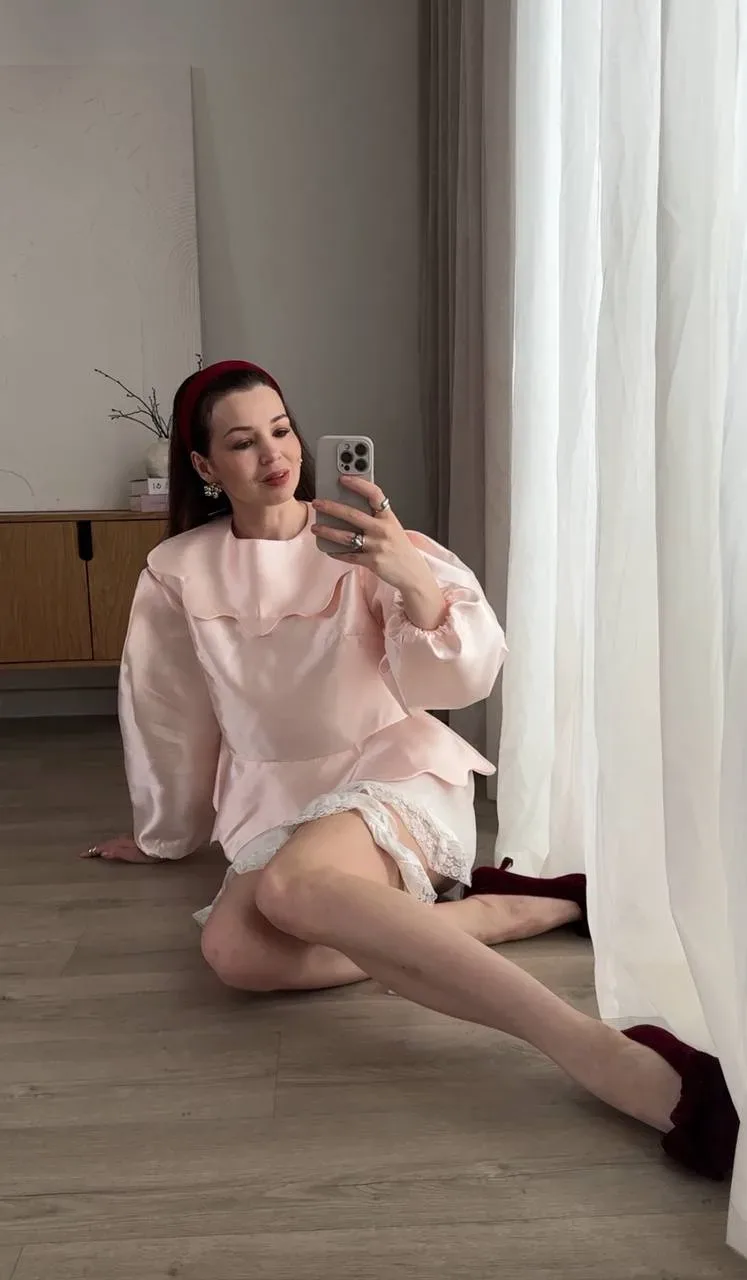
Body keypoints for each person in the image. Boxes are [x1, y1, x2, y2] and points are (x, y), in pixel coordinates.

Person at [84, 359, 737, 1182]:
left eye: (281, 430)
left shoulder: (366, 538)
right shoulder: (177, 570)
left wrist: (408, 576)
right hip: (273, 798)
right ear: (204, 466)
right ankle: (491, 914)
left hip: (391, 769)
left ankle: (603, 1053)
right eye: (242, 443)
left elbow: (458, 680)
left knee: (292, 890)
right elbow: (168, 711)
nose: (273, 454)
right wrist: (165, 833)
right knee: (234, 953)